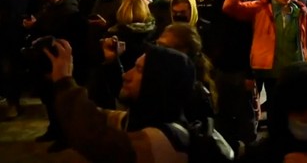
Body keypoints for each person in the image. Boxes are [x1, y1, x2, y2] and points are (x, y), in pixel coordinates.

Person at [46, 39, 199, 162]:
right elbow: (99, 118)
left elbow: (93, 138)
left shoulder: (165, 140)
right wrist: (112, 61)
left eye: (139, 70)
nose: (126, 75)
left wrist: (64, 81)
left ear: (157, 82)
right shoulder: (148, 116)